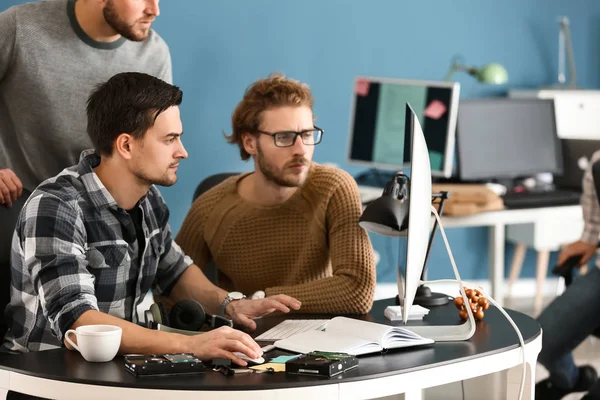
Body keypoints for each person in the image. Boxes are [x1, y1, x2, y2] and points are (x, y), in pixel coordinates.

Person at [1, 72, 301, 366]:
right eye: (170, 139)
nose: (182, 152)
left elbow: (174, 272)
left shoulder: (149, 199)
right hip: (47, 374)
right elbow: (80, 321)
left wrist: (233, 306)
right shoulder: (55, 206)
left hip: (116, 370)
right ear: (126, 146)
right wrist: (193, 345)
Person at [175, 73, 376, 315]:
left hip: (325, 338)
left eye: (307, 135)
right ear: (250, 143)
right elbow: (171, 287)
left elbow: (358, 291)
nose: (301, 150)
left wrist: (263, 300)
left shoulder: (335, 188)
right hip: (249, 342)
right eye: (284, 137)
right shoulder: (210, 209)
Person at [0, 0, 172, 208]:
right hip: (16, 198)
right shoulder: (18, 28)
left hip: (101, 207)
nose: (155, 10)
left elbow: (155, 145)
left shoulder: (154, 56)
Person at [535, 150, 600, 400]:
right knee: (539, 340)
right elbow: (594, 227)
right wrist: (589, 240)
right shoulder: (597, 163)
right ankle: (569, 380)